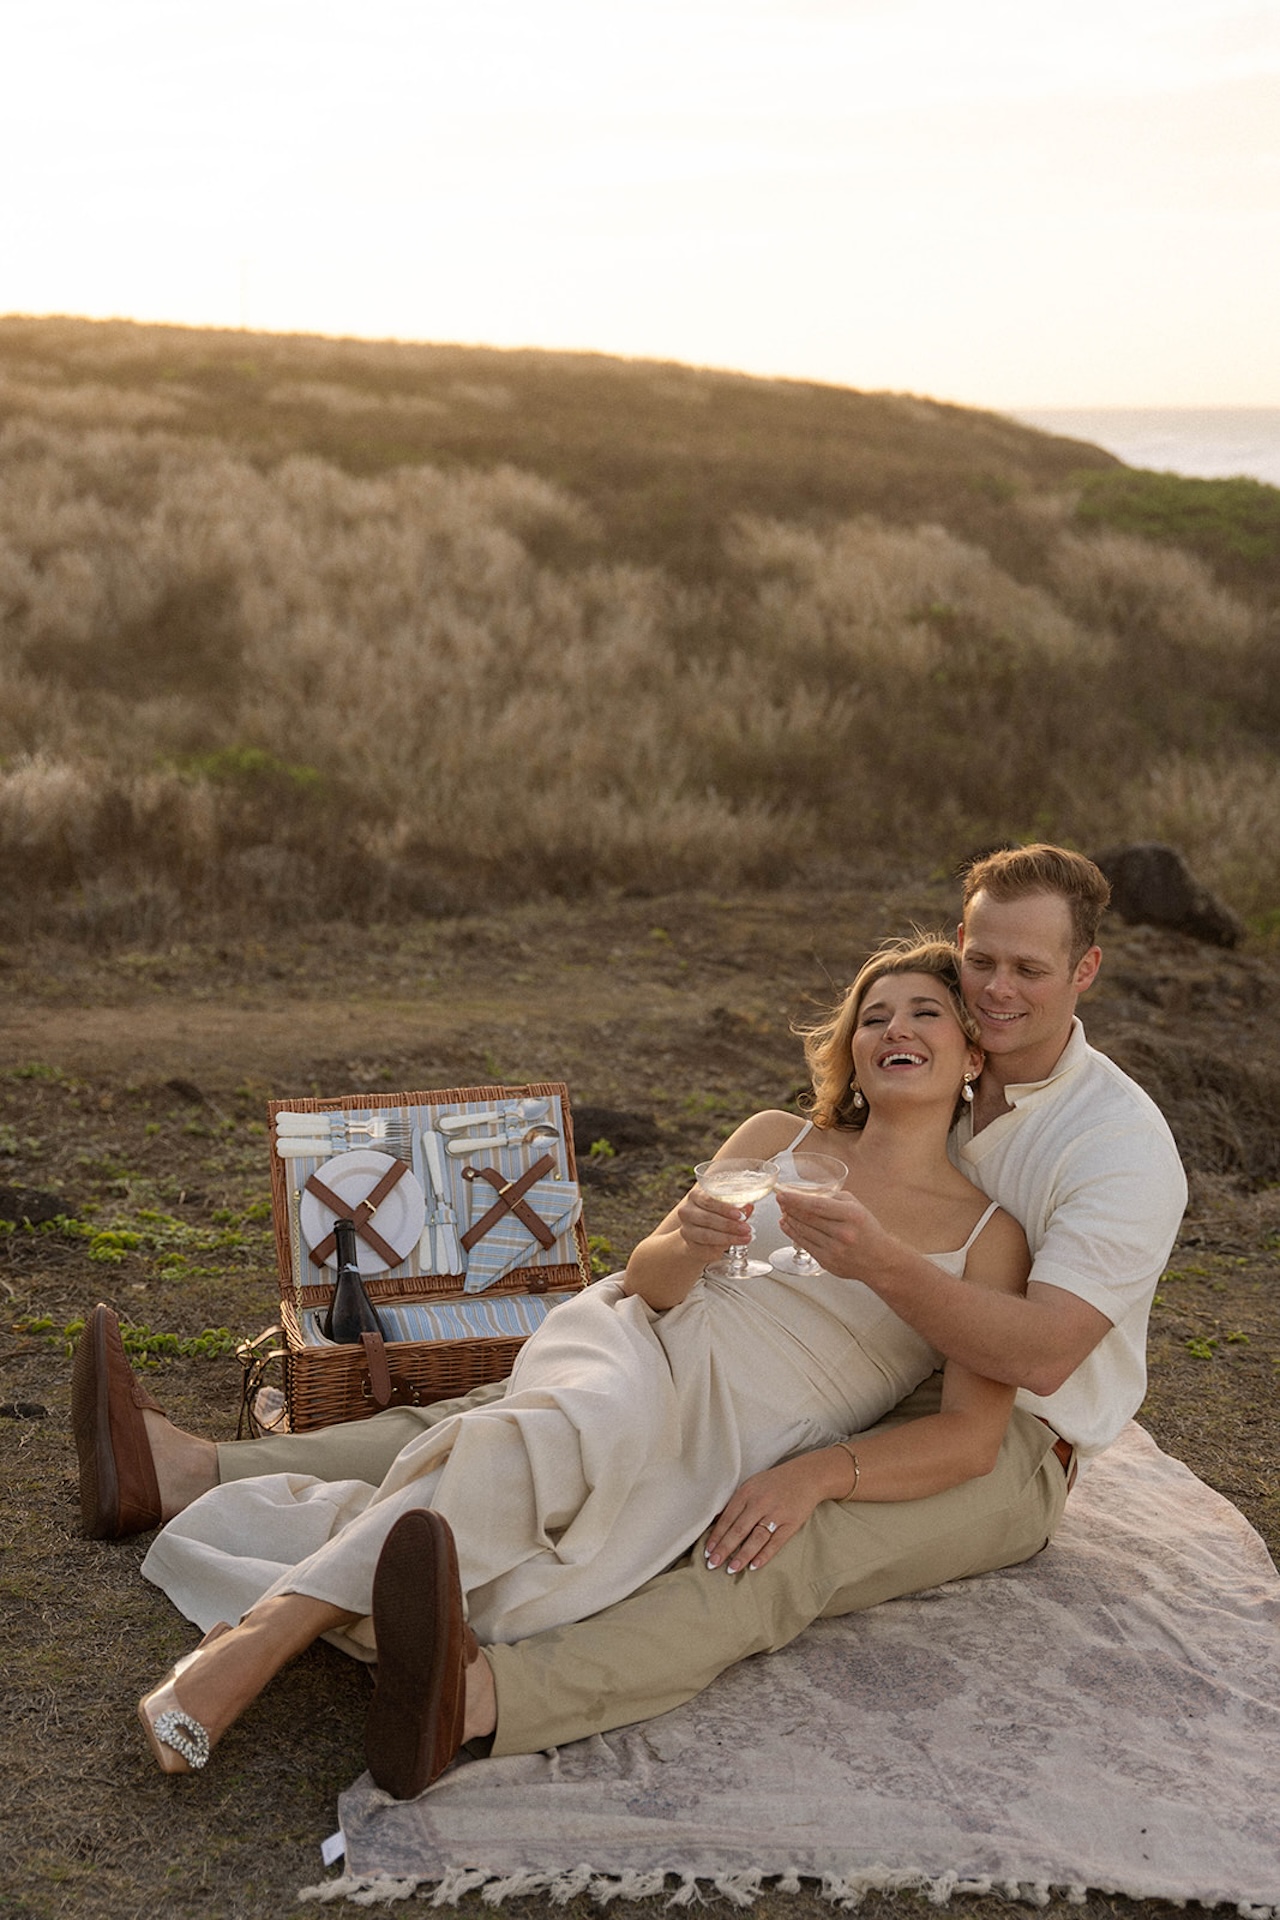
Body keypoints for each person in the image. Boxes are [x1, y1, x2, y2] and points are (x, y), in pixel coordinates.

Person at [73, 845, 1187, 1792]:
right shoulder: (799, 1133)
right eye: (975, 963)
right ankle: (197, 1500)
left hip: (1006, 1426)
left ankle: (468, 1690)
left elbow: (1027, 1363)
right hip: (665, 1346)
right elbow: (653, 1270)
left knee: (761, 1554)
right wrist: (691, 1246)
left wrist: (824, 1443)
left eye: (1019, 974)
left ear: (1080, 973)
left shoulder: (1101, 1149)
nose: (990, 990)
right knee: (525, 1412)